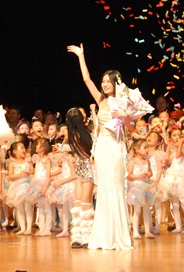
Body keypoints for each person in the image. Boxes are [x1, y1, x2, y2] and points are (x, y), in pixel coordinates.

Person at [68, 43, 144, 250]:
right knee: (102, 191)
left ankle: (118, 236)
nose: (104, 84)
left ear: (116, 83)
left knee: (114, 188)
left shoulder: (124, 102)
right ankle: (103, 236)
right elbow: (86, 79)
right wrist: (81, 56)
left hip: (116, 149)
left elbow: (132, 130)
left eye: (108, 81)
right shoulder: (100, 100)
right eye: (103, 81)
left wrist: (125, 116)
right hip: (101, 148)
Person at [64, 106, 96, 247]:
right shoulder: (75, 135)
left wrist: (62, 148)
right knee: (78, 204)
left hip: (88, 170)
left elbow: (82, 150)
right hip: (79, 170)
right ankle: (77, 236)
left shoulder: (83, 135)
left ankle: (87, 236)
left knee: (85, 204)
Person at [127, 139, 154, 239]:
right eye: (145, 147)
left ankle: (147, 231)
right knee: (137, 210)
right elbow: (129, 175)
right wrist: (139, 175)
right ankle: (135, 231)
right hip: (137, 188)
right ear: (137, 149)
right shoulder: (133, 161)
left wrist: (149, 174)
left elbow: (151, 172)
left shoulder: (147, 161)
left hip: (146, 188)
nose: (147, 150)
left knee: (147, 210)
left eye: (147, 147)